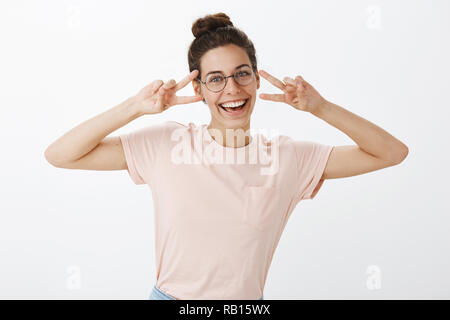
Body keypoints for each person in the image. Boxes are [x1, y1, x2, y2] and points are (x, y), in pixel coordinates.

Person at [44, 12, 409, 300]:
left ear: (257, 80)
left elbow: (392, 153)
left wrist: (321, 107)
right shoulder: (165, 144)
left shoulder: (288, 158)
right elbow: (60, 155)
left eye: (242, 74)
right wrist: (134, 107)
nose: (232, 89)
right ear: (199, 88)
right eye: (216, 79)